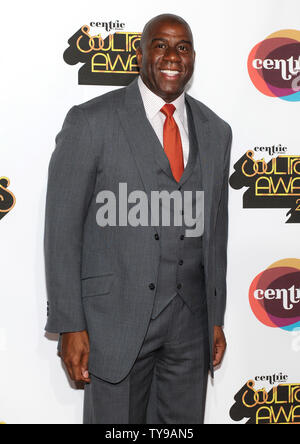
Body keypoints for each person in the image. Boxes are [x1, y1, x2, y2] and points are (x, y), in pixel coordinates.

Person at [44, 13, 232, 424]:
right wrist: (69, 324)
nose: (171, 56)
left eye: (182, 47)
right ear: (140, 52)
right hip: (115, 321)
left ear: (193, 58)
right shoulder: (91, 121)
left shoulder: (216, 131)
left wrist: (215, 318)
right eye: (160, 44)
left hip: (190, 326)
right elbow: (61, 231)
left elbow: (215, 234)